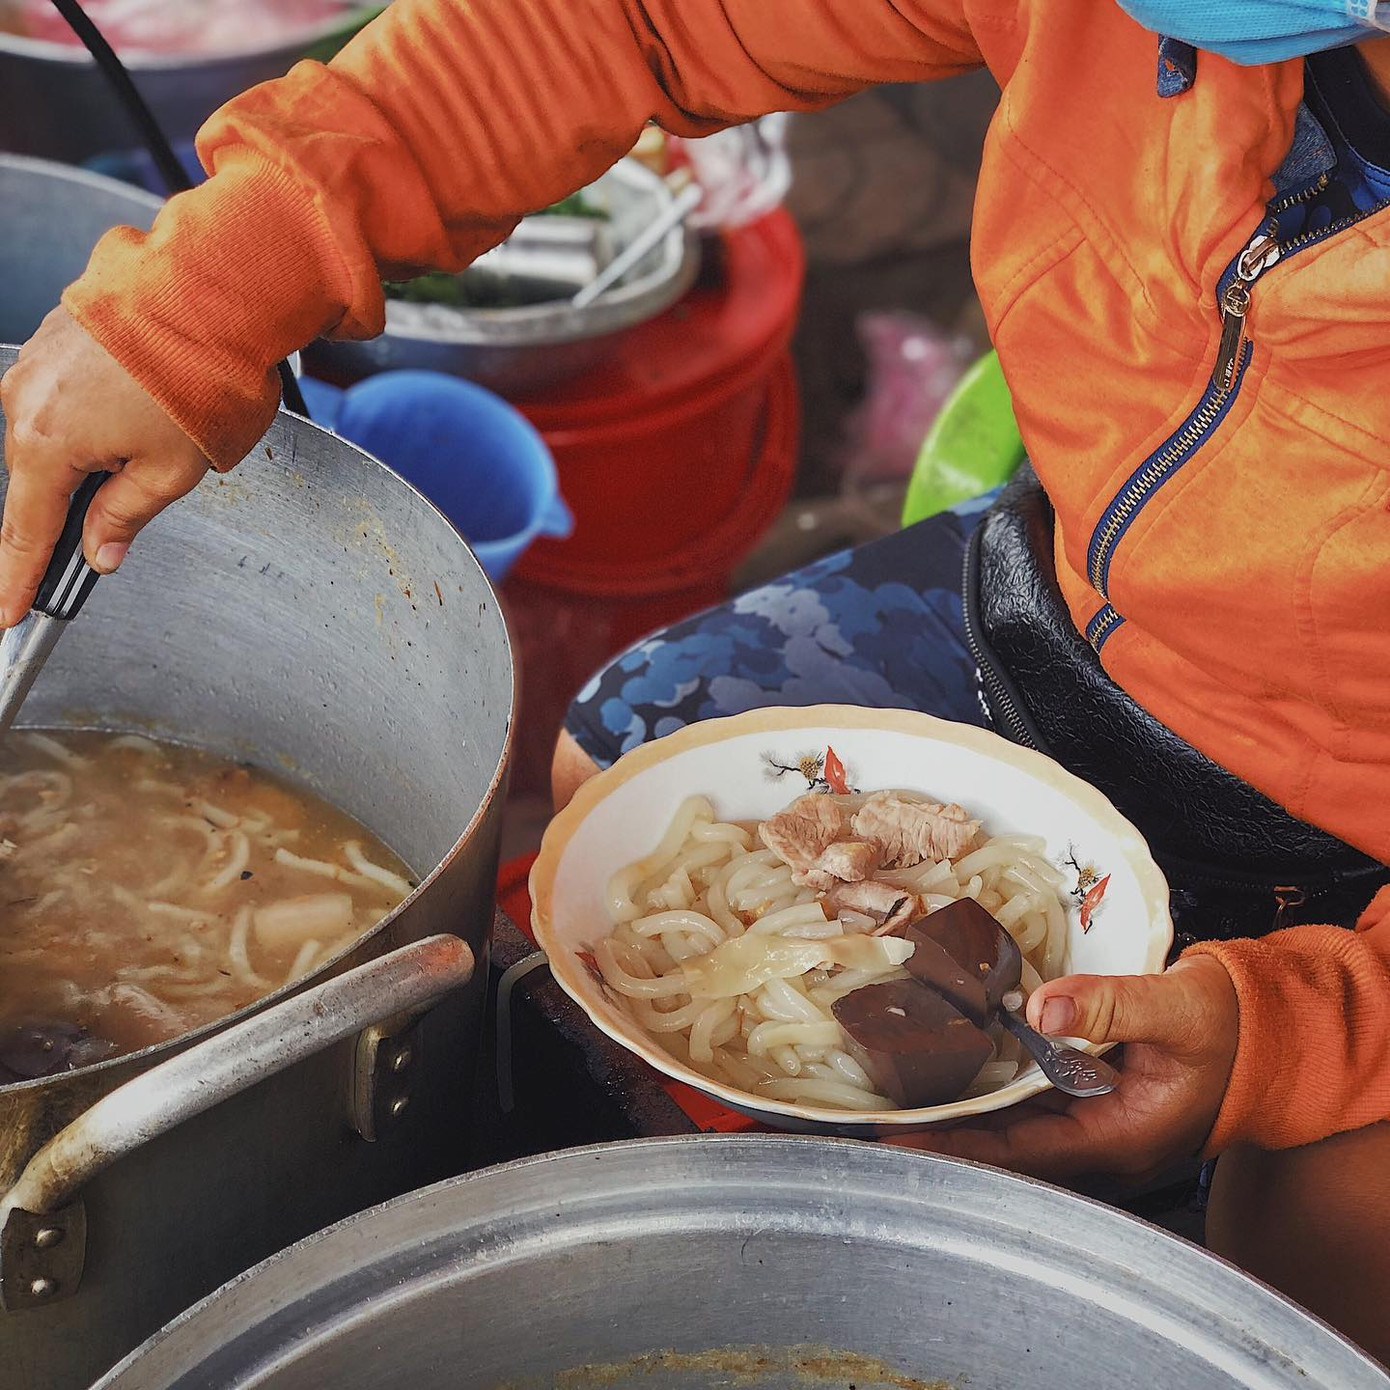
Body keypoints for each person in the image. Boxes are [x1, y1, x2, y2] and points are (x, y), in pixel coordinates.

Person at [3, 0, 1389, 1357]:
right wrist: (200, 291)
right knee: (618, 762)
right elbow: (622, 21)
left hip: (1353, 837)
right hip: (1069, 605)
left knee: (1318, 1257)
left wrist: (1307, 1031)